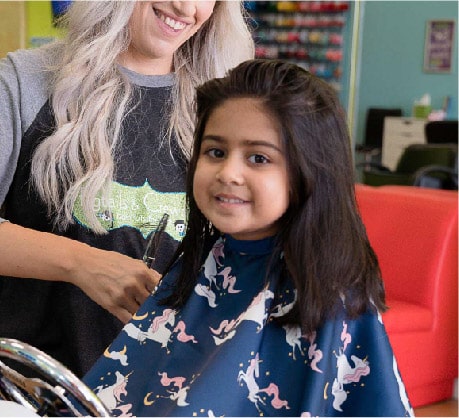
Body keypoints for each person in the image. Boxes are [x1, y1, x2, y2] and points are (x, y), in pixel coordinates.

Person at [83, 59, 414, 417]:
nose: (228, 173)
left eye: (258, 158)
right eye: (216, 152)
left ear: (309, 169)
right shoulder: (201, 265)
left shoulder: (328, 294)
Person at [0, 1, 254, 377]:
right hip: (34, 392)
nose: (185, 7)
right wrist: (82, 264)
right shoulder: (26, 82)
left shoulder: (225, 109)